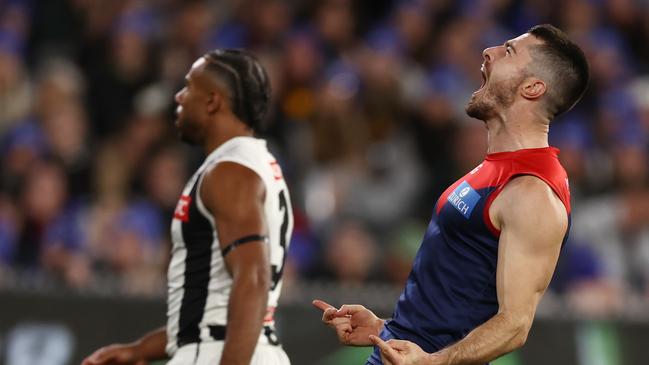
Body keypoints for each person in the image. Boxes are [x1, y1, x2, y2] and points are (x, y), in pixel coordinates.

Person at [314, 24, 589, 365]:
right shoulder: (493, 169)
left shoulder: (533, 192)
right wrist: (386, 330)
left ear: (533, 87)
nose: (489, 52)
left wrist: (434, 362)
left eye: (509, 51)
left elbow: (514, 325)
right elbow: (457, 303)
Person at [82, 49, 293, 365]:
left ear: (212, 101)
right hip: (243, 347)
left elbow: (252, 278)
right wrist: (140, 350)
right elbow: (212, 311)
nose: (179, 97)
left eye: (189, 87)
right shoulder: (257, 164)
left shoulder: (230, 172)